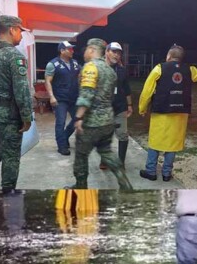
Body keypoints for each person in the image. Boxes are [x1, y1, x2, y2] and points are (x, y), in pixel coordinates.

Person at [138, 44, 197, 182]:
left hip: (161, 112)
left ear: (168, 56)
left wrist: (142, 108)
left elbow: (147, 91)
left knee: (155, 142)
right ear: (181, 58)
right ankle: (166, 174)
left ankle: (151, 171)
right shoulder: (189, 70)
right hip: (180, 113)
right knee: (172, 143)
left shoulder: (159, 68)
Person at [69, 38, 133, 190]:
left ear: (91, 50)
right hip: (107, 121)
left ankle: (80, 187)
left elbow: (87, 95)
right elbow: (110, 96)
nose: (84, 53)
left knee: (81, 156)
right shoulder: (110, 71)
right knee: (106, 152)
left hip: (91, 123)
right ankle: (125, 183)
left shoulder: (91, 67)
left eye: (86, 50)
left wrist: (78, 117)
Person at [0, 15, 33, 194]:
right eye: (20, 31)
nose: (21, 35)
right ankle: (8, 192)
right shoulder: (15, 56)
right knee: (11, 157)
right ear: (12, 29)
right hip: (8, 116)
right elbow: (21, 91)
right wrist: (27, 117)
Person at [100, 42, 133, 170]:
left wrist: (129, 105)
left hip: (120, 107)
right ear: (107, 52)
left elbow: (126, 89)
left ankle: (121, 162)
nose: (117, 55)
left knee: (123, 134)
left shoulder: (122, 70)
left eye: (119, 53)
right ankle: (104, 161)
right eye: (114, 51)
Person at [45, 40, 80, 156]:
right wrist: (51, 97)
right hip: (60, 98)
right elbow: (48, 81)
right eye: (69, 49)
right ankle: (62, 146)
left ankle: (64, 137)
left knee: (77, 119)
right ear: (62, 51)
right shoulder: (53, 64)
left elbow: (82, 74)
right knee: (60, 122)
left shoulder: (75, 63)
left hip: (73, 97)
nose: (72, 51)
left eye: (72, 49)